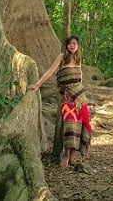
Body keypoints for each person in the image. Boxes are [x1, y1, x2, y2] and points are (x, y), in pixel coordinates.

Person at [27, 35, 92, 168]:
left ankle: (74, 156)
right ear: (67, 46)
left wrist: (80, 94)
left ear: (78, 46)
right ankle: (66, 155)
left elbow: (80, 78)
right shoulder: (62, 57)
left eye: (74, 43)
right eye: (69, 44)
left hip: (79, 97)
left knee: (81, 124)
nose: (72, 46)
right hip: (67, 97)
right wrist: (38, 84)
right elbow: (51, 71)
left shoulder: (78, 59)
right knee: (70, 125)